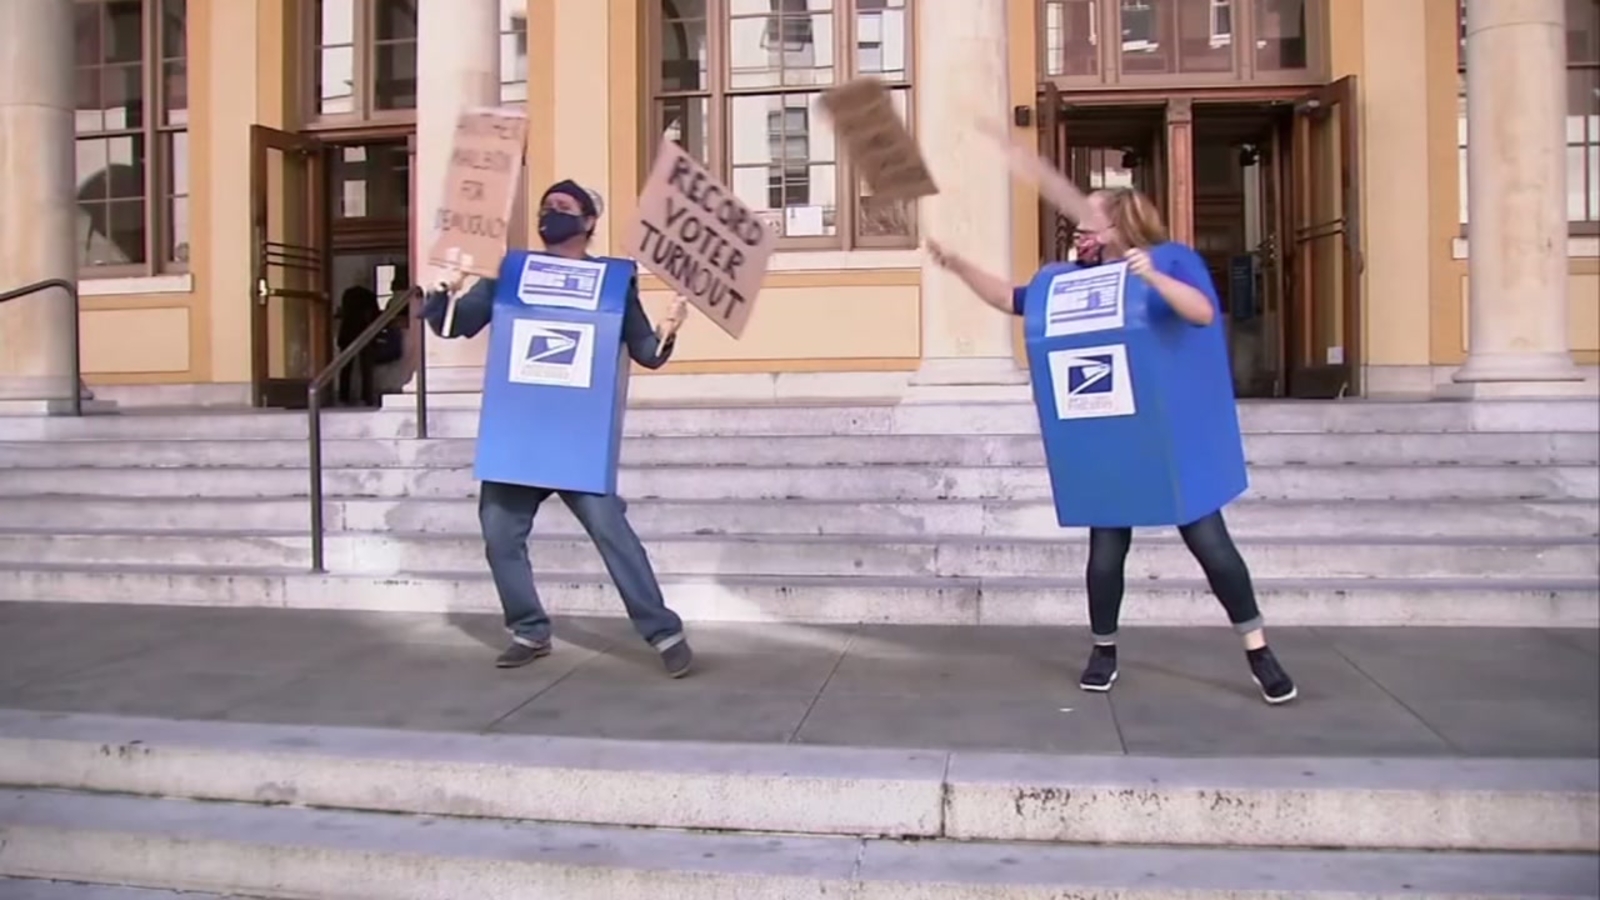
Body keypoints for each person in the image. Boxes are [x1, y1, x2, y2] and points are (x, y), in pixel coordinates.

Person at [926, 185, 1298, 705]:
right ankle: (1104, 650)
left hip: (1164, 437)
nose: (1077, 231)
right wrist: (960, 266)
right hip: (1110, 435)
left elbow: (1200, 314)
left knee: (1211, 546)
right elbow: (1012, 299)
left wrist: (1150, 276)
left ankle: (1258, 650)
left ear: (1121, 226)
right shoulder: (1067, 284)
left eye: (1087, 223)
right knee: (1105, 553)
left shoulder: (1171, 261)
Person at [422, 179, 694, 677]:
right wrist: (445, 291)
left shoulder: (615, 283)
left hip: (577, 437)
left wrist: (670, 328)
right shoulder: (511, 272)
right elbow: (453, 326)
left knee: (613, 533)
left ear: (589, 221)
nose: (552, 213)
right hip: (519, 433)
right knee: (500, 535)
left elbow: (646, 353)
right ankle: (528, 629)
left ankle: (664, 632)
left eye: (564, 208)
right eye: (547, 207)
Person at [335, 285, 381, 407]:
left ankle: (343, 397)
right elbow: (375, 316)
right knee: (366, 368)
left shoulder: (348, 294)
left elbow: (343, 313)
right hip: (364, 333)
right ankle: (366, 397)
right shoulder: (370, 296)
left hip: (347, 332)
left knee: (345, 367)